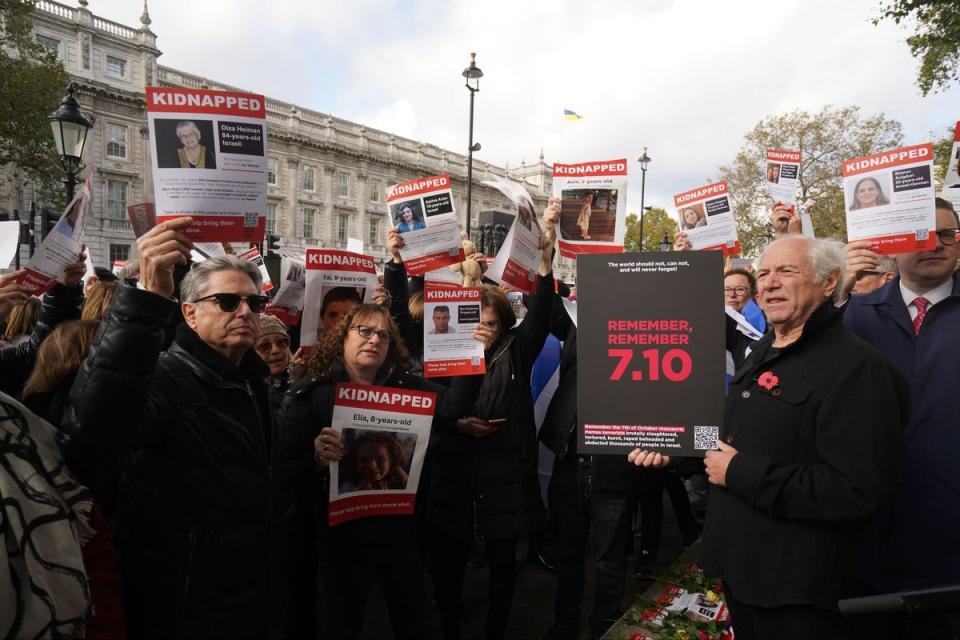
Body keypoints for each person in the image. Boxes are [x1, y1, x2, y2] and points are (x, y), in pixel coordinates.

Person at [632, 235, 909, 639]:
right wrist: (675, 451)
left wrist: (740, 472)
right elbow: (732, 439)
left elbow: (856, 489)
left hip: (800, 594)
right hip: (744, 575)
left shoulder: (859, 369)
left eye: (787, 271)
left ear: (830, 282)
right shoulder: (763, 351)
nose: (770, 283)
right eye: (763, 273)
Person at [59, 218, 285, 639]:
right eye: (227, 301)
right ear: (189, 313)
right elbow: (92, 437)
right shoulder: (163, 380)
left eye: (254, 304)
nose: (244, 313)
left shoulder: (255, 383)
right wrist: (145, 299)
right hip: (184, 607)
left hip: (252, 597)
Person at [279, 303, 486, 639]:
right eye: (364, 331)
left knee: (412, 617)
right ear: (342, 338)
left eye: (383, 335)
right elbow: (285, 473)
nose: (374, 339)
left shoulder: (405, 384)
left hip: (399, 531)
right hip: (338, 538)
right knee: (342, 620)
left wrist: (473, 352)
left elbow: (452, 405)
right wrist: (316, 459)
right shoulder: (314, 393)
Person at [429, 198, 559, 640]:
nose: (482, 327)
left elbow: (541, 315)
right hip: (461, 473)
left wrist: (545, 263)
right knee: (451, 566)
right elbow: (437, 409)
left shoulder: (515, 349)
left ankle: (497, 629)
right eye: (475, 321)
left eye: (489, 321)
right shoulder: (448, 354)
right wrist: (459, 425)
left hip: (506, 473)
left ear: (502, 323)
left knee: (504, 570)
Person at [841, 198, 960, 636]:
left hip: (949, 535)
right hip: (868, 532)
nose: (938, 244)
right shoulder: (852, 315)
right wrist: (836, 291)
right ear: (893, 246)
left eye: (948, 234)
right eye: (922, 234)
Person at [338, 431, 410, 493]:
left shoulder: (400, 482)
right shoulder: (347, 487)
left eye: (380, 459)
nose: (372, 466)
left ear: (391, 461)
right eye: (364, 460)